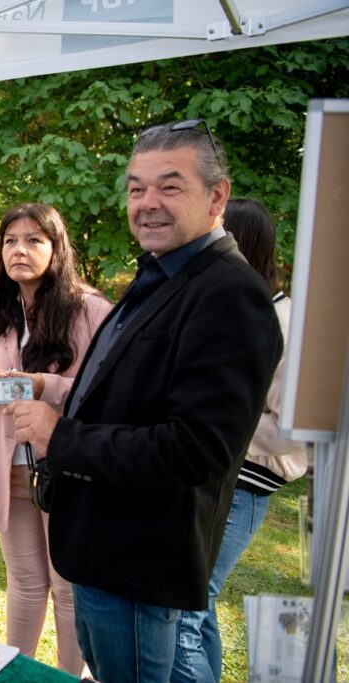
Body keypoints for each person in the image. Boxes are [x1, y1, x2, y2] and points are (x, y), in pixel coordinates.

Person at [6, 120, 283, 682]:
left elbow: (199, 448)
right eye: (136, 188)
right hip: (101, 552)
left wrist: (61, 436)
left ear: (218, 195)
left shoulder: (229, 295)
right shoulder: (164, 274)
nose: (147, 204)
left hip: (136, 561)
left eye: (169, 186)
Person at [0, 203, 111, 674]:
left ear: (56, 247)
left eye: (33, 240)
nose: (18, 250)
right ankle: (17, 672)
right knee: (24, 581)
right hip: (11, 467)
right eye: (10, 241)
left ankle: (69, 676)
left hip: (66, 468)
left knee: (67, 587)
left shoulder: (90, 309)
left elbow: (103, 395)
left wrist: (44, 386)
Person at [170, 199, 307, 683]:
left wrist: (211, 426)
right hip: (212, 475)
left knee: (185, 606)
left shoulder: (284, 319)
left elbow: (291, 426)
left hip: (246, 481)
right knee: (196, 603)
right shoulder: (235, 309)